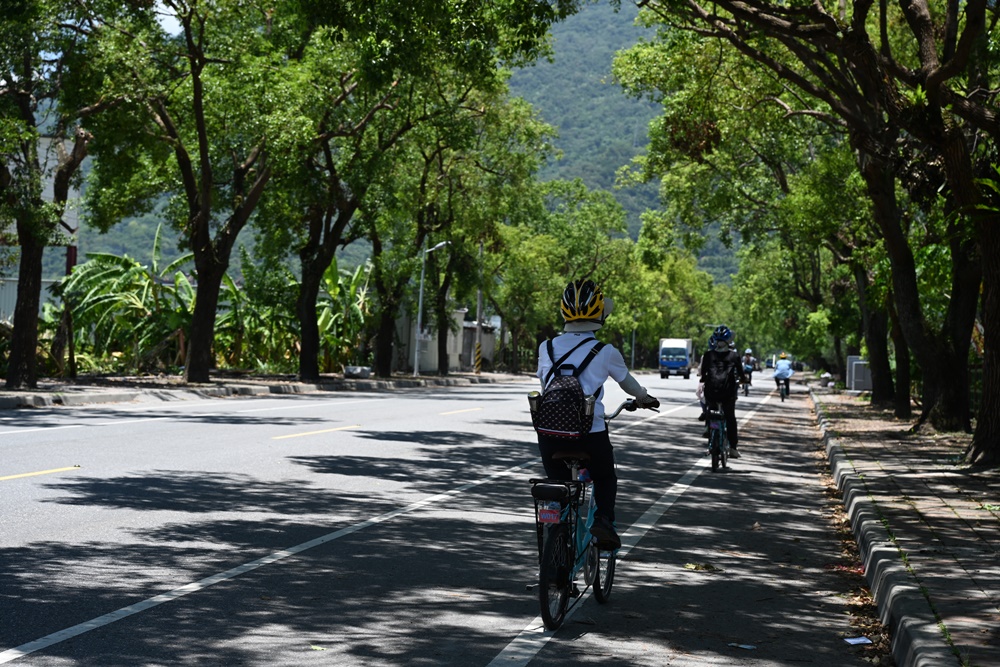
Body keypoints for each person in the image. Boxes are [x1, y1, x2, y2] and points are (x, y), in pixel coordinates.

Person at [536, 279, 658, 550]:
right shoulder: (606, 351)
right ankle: (603, 520)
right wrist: (644, 398)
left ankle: (555, 519)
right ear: (600, 313)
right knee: (605, 476)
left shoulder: (546, 347)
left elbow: (545, 385)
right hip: (590, 434)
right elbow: (629, 384)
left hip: (550, 434)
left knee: (558, 484)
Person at [699, 326, 748, 458]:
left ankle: (710, 440)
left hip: (711, 393)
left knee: (711, 413)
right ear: (728, 340)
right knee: (730, 418)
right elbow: (742, 375)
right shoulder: (734, 356)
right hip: (728, 394)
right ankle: (733, 448)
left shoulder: (708, 355)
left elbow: (703, 375)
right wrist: (744, 380)